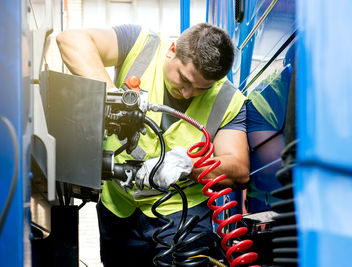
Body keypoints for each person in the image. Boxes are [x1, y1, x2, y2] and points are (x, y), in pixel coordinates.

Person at [56, 23, 250, 267]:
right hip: (119, 207)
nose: (189, 93)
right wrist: (116, 99)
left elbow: (239, 168)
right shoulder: (141, 45)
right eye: (183, 79)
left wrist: (187, 165)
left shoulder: (228, 99)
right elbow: (70, 39)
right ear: (171, 50)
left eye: (202, 88)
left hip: (183, 213)